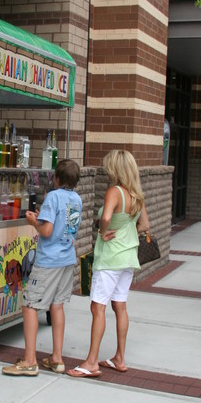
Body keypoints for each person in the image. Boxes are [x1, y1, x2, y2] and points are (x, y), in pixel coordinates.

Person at [67, 149, 149, 378]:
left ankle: (92, 362)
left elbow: (105, 218)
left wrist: (103, 232)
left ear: (116, 169)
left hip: (111, 258)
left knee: (98, 307)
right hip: (128, 258)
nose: (106, 170)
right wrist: (125, 230)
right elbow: (145, 226)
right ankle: (119, 358)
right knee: (120, 306)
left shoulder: (115, 191)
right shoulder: (136, 195)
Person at [2, 159, 82, 376]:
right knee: (57, 306)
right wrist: (42, 221)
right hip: (67, 259)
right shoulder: (76, 199)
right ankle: (57, 358)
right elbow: (61, 225)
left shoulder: (53, 196)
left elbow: (46, 231)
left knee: (29, 305)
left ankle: (29, 360)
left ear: (56, 178)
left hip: (49, 261)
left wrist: (33, 222)